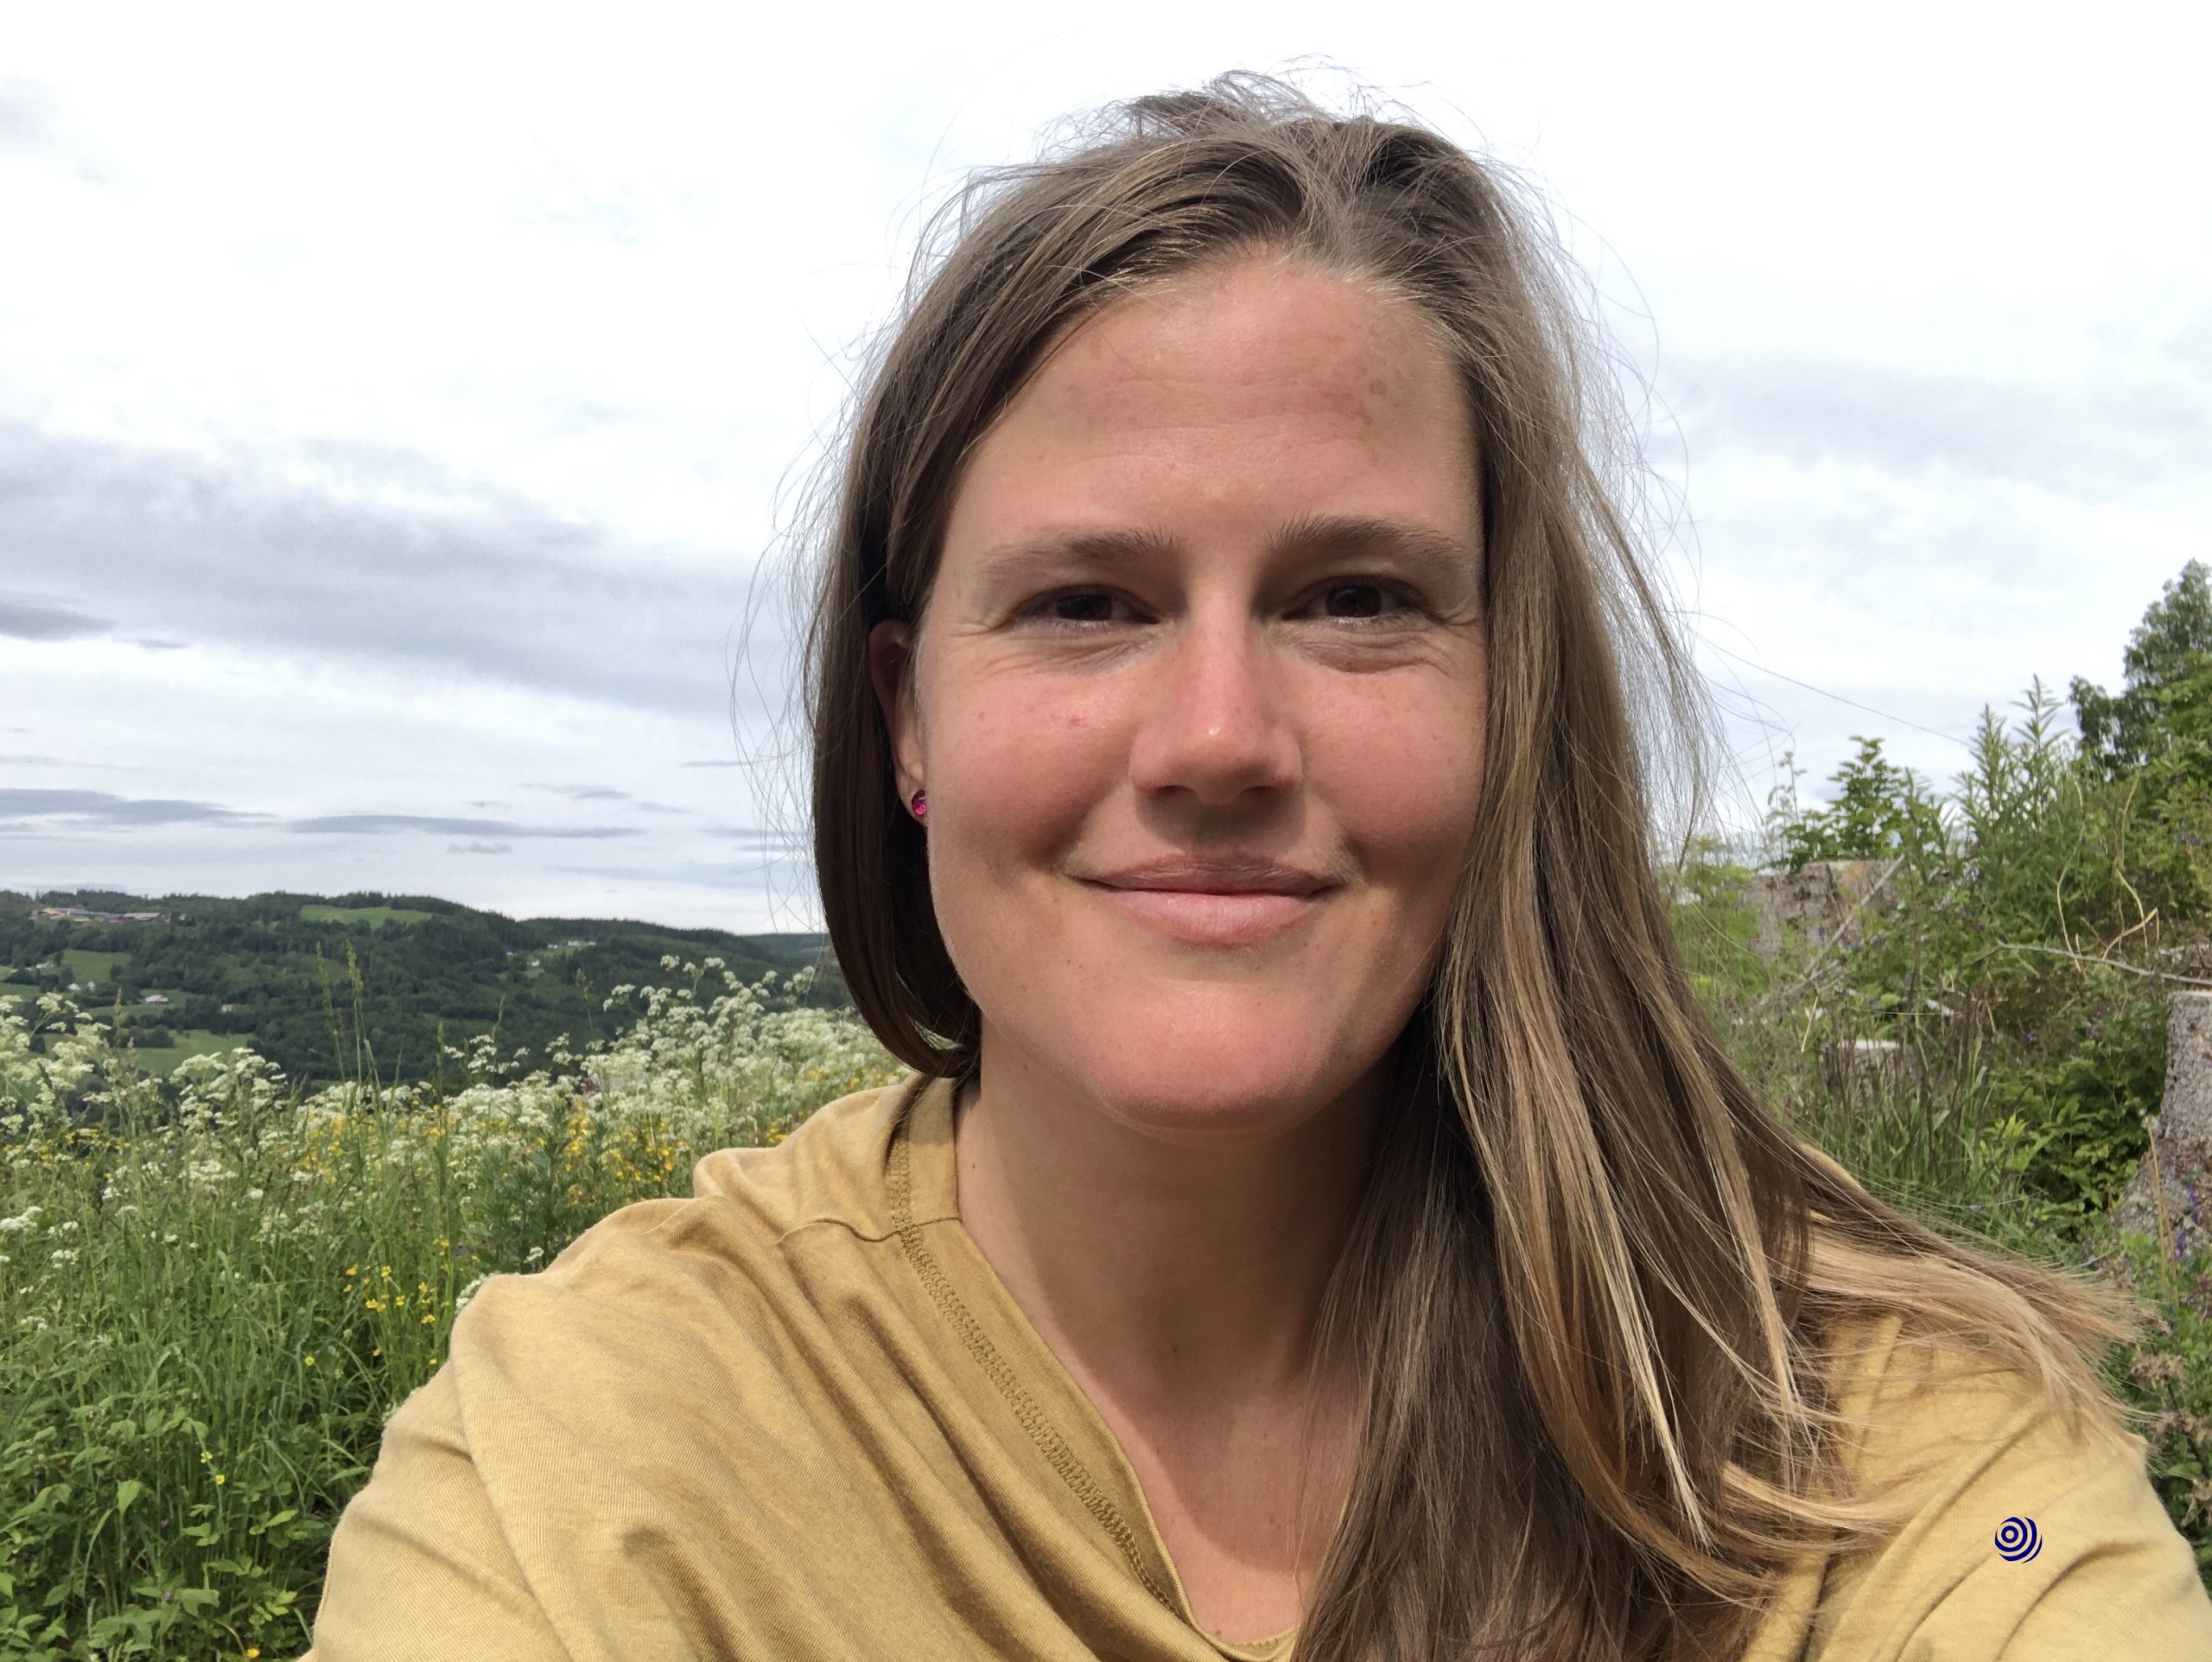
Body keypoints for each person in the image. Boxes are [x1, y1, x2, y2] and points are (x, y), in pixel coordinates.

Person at [302, 75, 2212, 1660]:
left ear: (1509, 697)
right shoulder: (597, 1469)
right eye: (1082, 602)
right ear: (902, 717)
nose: (1216, 736)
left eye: (1354, 598)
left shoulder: (1897, 1452)